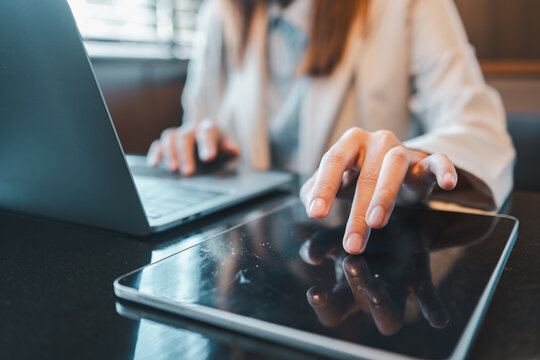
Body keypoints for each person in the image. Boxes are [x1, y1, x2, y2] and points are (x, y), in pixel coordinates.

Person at [146, 0, 515, 255]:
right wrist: (193, 142)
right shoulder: (220, 14)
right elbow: (199, 120)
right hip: (247, 257)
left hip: (359, 259)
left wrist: (415, 157)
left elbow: (479, 128)